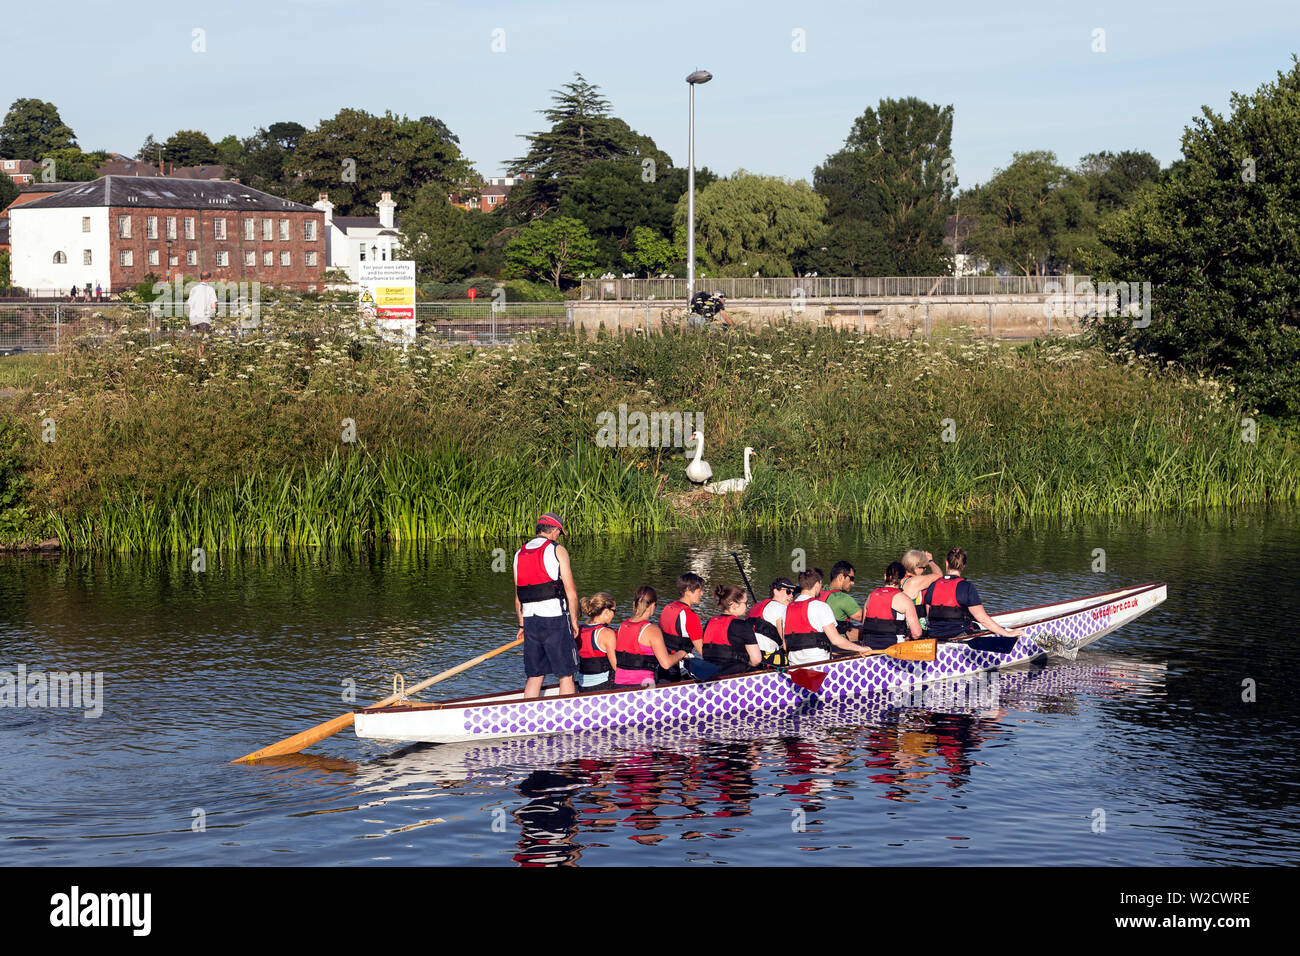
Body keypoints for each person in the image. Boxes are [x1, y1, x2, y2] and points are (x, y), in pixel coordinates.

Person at [514, 512, 580, 698]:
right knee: (566, 673)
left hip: (530, 621)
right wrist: (574, 621)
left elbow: (518, 596)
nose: (559, 536)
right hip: (555, 619)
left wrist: (521, 625)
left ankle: (528, 714)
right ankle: (566, 717)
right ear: (554, 530)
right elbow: (571, 591)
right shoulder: (557, 550)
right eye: (559, 532)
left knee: (535, 675)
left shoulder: (519, 553)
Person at [923, 547, 1025, 641]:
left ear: (946, 563)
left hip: (934, 635)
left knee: (975, 626)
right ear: (964, 565)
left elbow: (929, 615)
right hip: (959, 636)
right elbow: (982, 618)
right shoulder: (966, 587)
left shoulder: (932, 585)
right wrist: (1007, 633)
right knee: (977, 626)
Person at [783, 569, 869, 665]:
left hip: (794, 666)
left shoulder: (786, 609)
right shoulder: (820, 606)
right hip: (818, 665)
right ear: (817, 584)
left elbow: (785, 646)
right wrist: (861, 649)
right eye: (821, 584)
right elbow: (836, 640)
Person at [613, 586, 688, 689]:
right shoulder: (652, 630)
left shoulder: (622, 626)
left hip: (619, 686)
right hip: (643, 686)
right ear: (652, 605)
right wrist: (681, 653)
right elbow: (666, 663)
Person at [859, 562, 923, 650]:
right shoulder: (905, 599)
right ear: (902, 579)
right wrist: (908, 636)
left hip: (870, 649)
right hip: (894, 650)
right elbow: (917, 633)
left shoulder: (871, 596)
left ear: (885, 576)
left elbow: (863, 630)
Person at [701, 585, 762, 676]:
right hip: (733, 677)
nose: (748, 605)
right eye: (745, 602)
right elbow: (756, 660)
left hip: (709, 673)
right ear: (734, 605)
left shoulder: (710, 622)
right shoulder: (743, 625)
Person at [658, 572, 705, 682]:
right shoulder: (691, 616)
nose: (701, 594)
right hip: (680, 666)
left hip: (663, 663)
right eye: (699, 591)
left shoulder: (667, 608)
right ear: (688, 591)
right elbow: (703, 651)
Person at [576, 592, 619, 692]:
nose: (614, 615)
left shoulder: (579, 630)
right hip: (603, 685)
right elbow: (616, 666)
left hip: (582, 686)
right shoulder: (607, 633)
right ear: (607, 611)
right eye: (614, 611)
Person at [748, 577, 796, 665]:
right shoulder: (781, 608)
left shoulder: (756, 606)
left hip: (748, 656)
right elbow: (786, 643)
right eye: (788, 591)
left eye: (794, 593)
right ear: (775, 591)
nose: (791, 596)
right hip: (765, 658)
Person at [820, 560, 866, 642]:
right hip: (837, 642)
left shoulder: (821, 592)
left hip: (821, 638)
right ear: (841, 577)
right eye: (851, 578)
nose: (853, 583)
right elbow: (864, 618)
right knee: (868, 629)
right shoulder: (843, 598)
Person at [900, 549, 944, 633]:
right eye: (923, 567)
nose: (924, 570)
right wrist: (931, 561)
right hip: (913, 628)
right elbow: (939, 575)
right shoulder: (914, 581)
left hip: (902, 624)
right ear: (916, 567)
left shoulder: (899, 578)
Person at [187, 270, 218, 335]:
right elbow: (214, 305)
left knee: (197, 339)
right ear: (209, 279)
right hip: (204, 318)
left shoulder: (194, 289)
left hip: (193, 318)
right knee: (205, 340)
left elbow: (189, 305)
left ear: (200, 278)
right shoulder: (210, 289)